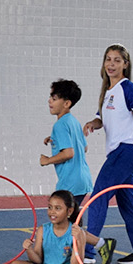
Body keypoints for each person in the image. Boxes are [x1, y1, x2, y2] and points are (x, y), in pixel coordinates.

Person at [80, 45, 133, 264]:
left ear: (125, 64)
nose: (111, 64)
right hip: (122, 154)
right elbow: (102, 120)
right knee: (129, 205)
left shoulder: (128, 88)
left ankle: (88, 251)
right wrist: (93, 123)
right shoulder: (107, 93)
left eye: (117, 60)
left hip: (125, 152)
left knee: (98, 197)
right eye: (108, 59)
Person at [9, 190, 88, 264]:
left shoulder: (78, 233)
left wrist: (78, 241)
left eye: (58, 208)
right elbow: (37, 260)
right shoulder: (43, 229)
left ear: (69, 211)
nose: (52, 212)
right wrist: (29, 249)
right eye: (50, 207)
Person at [40, 79, 92, 219]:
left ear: (67, 103)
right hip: (82, 179)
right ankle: (84, 233)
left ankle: (88, 235)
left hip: (70, 182)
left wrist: (48, 160)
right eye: (50, 97)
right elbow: (84, 147)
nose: (49, 101)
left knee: (63, 220)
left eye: (54, 98)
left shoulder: (60, 125)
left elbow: (68, 153)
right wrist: (54, 139)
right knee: (71, 218)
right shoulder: (73, 121)